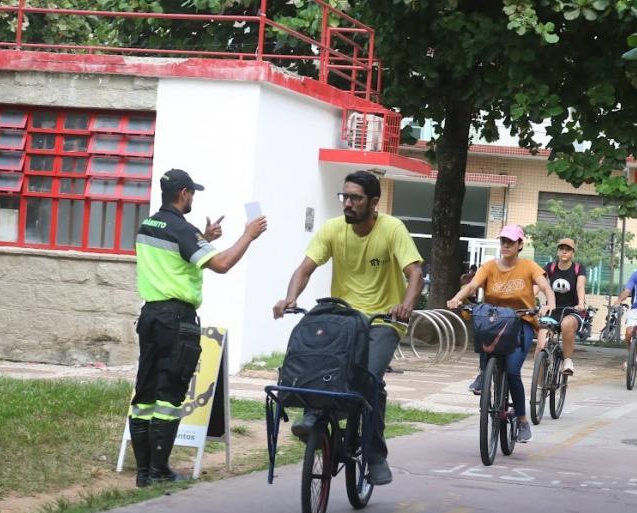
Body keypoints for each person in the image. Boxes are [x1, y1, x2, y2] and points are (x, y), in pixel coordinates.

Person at [273, 170, 424, 486]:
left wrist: (406, 306)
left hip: (383, 320)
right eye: (345, 197)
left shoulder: (392, 229)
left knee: (369, 379)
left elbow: (414, 273)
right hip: (344, 318)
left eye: (355, 198)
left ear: (374, 202)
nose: (348, 203)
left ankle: (375, 454)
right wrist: (290, 298)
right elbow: (305, 269)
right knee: (317, 358)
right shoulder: (332, 229)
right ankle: (314, 416)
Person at [129, 168, 267, 487]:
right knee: (169, 395)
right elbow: (222, 265)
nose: (193, 198)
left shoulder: (148, 225)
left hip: (150, 316)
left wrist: (205, 239)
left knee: (145, 392)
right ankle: (159, 471)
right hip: (176, 320)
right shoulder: (183, 230)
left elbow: (177, 259)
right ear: (183, 194)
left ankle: (143, 473)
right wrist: (248, 235)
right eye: (192, 193)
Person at [446, 225, 555, 443]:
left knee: (513, 370)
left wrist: (549, 303)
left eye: (511, 242)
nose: (506, 245)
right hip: (494, 321)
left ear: (520, 245)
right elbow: (472, 286)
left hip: (521, 321)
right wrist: (457, 298)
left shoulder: (528, 266)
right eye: (503, 241)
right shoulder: (488, 266)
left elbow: (545, 286)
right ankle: (484, 373)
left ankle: (522, 420)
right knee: (483, 331)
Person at [535, 238, 587, 375]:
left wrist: (581, 303)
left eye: (568, 249)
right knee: (541, 345)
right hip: (552, 311)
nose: (564, 251)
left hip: (572, 311)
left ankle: (567, 360)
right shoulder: (550, 267)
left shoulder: (578, 268)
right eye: (561, 249)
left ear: (573, 253)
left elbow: (580, 286)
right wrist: (528, 297)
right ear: (558, 252)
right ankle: (538, 384)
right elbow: (539, 284)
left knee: (566, 324)